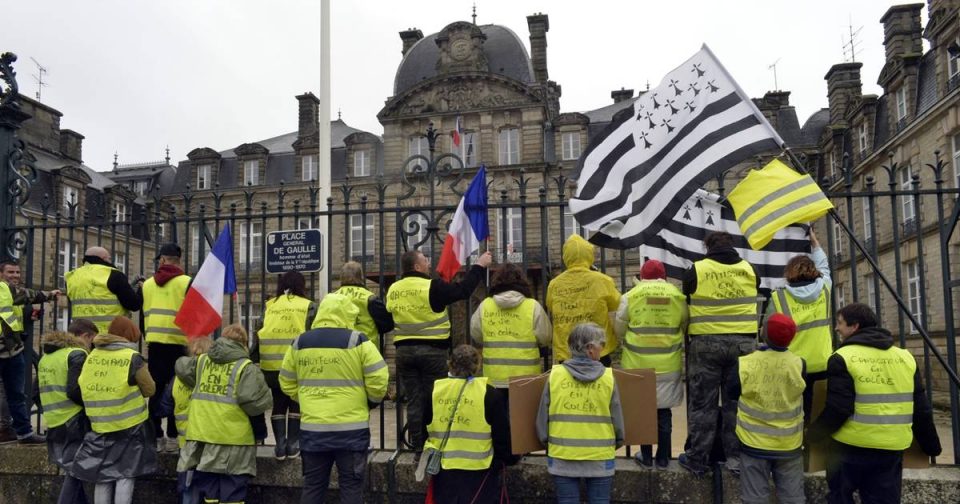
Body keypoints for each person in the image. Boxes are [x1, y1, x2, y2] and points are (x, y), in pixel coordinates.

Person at [807, 303, 941, 504]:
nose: (836, 328)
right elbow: (921, 408)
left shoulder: (842, 357)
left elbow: (839, 408)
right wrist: (932, 446)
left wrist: (813, 434)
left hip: (850, 447)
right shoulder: (905, 357)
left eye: (840, 323)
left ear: (855, 327)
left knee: (840, 497)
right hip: (890, 449)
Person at [280, 292, 388, 503]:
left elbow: (286, 381)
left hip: (313, 430)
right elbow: (379, 379)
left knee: (313, 486)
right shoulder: (358, 340)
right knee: (351, 487)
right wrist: (370, 401)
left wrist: (306, 399)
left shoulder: (300, 342)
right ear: (348, 314)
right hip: (351, 430)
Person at [386, 249, 492, 458]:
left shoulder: (393, 289)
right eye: (425, 259)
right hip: (432, 352)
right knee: (436, 398)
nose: (429, 262)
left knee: (415, 401)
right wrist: (479, 266)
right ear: (416, 267)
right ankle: (435, 443)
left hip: (404, 352)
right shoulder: (431, 286)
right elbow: (462, 291)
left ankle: (418, 445)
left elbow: (389, 316)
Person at [679, 231, 761, 476]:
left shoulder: (697, 269)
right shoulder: (750, 269)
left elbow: (687, 297)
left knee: (703, 404)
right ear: (732, 246)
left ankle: (698, 458)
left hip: (706, 342)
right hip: (744, 345)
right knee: (736, 404)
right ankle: (735, 459)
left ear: (708, 247)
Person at [175, 324, 272, 504]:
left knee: (209, 491)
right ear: (244, 343)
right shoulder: (246, 367)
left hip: (203, 439)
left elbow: (181, 366)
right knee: (233, 492)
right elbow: (254, 405)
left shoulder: (202, 361)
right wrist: (260, 434)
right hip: (234, 440)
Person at [536, 322, 625, 504]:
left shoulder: (555, 375)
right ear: (590, 348)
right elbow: (617, 420)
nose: (603, 349)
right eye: (602, 344)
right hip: (600, 455)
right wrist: (616, 442)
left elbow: (542, 418)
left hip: (563, 455)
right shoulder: (608, 377)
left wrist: (549, 444)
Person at [73, 316, 157, 504]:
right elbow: (149, 389)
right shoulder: (131, 357)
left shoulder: (93, 355)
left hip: (99, 423)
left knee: (102, 474)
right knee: (125, 474)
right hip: (129, 425)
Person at [614, 259, 687, 468]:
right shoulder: (676, 295)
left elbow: (619, 328)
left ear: (642, 276)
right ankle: (663, 458)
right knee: (664, 412)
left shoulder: (631, 296)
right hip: (668, 363)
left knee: (643, 411)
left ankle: (645, 457)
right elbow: (685, 323)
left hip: (638, 364)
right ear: (663, 276)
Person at [422, 344, 513, 503]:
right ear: (477, 366)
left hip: (444, 469)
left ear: (450, 364)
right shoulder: (490, 394)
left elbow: (423, 429)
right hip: (480, 470)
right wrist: (506, 459)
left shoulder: (435, 391)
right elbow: (502, 437)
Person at [731, 314, 806, 504]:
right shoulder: (799, 364)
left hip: (753, 443)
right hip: (789, 443)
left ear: (764, 334)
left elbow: (732, 392)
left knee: (754, 499)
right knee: (793, 498)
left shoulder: (746, 363)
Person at [766, 229, 832, 422]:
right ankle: (811, 448)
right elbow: (825, 266)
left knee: (791, 414)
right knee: (817, 413)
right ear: (813, 271)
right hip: (822, 362)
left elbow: (768, 332)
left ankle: (794, 445)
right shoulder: (825, 288)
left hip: (792, 365)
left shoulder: (778, 297)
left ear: (789, 273)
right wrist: (815, 243)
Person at [139, 243, 192, 453]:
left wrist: (147, 335)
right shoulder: (186, 282)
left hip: (155, 343)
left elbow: (144, 315)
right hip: (178, 344)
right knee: (177, 390)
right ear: (179, 261)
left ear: (161, 260)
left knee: (155, 389)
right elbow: (192, 314)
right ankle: (173, 435)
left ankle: (155, 435)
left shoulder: (148, 284)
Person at [0, 258, 59, 444]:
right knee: (14, 393)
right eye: (10, 272)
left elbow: (17, 309)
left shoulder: (10, 292)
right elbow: (28, 294)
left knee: (16, 393)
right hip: (7, 348)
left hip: (13, 350)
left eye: (17, 272)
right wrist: (50, 294)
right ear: (1, 274)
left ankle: (22, 432)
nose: (15, 276)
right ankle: (18, 431)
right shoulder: (4, 289)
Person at [259, 271, 315, 460]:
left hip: (271, 364)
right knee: (296, 402)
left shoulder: (269, 305)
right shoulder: (307, 306)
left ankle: (280, 446)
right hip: (296, 364)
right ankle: (293, 444)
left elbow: (260, 330)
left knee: (279, 404)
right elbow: (312, 332)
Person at [39, 322, 97, 504]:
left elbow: (34, 392)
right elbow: (74, 390)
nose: (92, 346)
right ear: (85, 336)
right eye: (92, 340)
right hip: (74, 420)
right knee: (76, 472)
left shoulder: (47, 357)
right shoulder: (77, 354)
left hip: (54, 420)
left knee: (73, 470)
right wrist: (92, 407)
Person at [469, 263, 551, 389]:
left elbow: (476, 334)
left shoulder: (485, 306)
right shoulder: (532, 306)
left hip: (494, 378)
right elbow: (545, 337)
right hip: (526, 379)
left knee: (497, 409)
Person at [545, 234, 621, 365]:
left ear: (566, 257)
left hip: (567, 350)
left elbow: (550, 306)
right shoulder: (602, 280)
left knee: (570, 385)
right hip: (598, 349)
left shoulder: (554, 284)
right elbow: (617, 305)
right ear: (589, 254)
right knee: (601, 384)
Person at [65, 246, 141, 333]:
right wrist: (140, 290)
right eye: (109, 258)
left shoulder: (71, 277)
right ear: (104, 258)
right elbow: (133, 304)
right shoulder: (114, 274)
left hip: (81, 335)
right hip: (109, 335)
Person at [326, 261, 394, 349]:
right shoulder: (370, 298)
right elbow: (387, 325)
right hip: (366, 348)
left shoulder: (332, 297)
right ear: (361, 276)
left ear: (341, 277)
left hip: (340, 348)